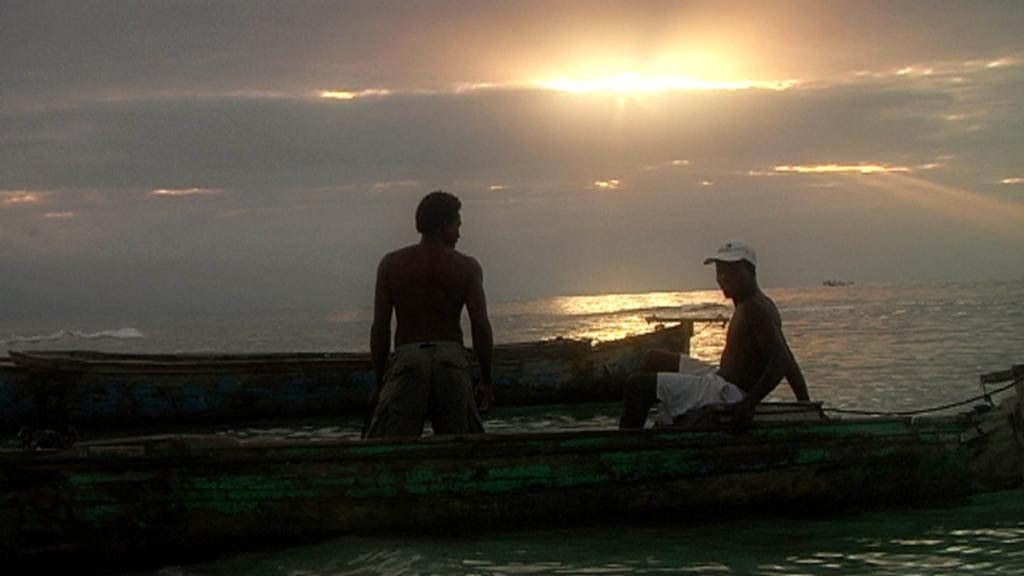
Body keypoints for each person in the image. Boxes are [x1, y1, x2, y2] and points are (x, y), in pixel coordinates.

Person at [619, 240, 809, 430]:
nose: (723, 278)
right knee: (654, 358)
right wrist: (806, 405)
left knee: (637, 385)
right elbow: (787, 358)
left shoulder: (754, 308)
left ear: (750, 271)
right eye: (720, 271)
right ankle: (665, 423)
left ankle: (625, 448)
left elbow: (781, 361)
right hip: (719, 378)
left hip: (728, 393)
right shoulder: (755, 303)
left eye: (732, 271)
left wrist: (748, 404)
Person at [366, 190, 494, 438]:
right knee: (461, 447)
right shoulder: (466, 267)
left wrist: (379, 381)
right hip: (450, 360)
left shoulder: (391, 265)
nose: (459, 234)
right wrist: (486, 380)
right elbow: (480, 326)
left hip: (408, 358)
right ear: (443, 225)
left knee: (391, 445)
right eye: (457, 225)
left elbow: (380, 328)